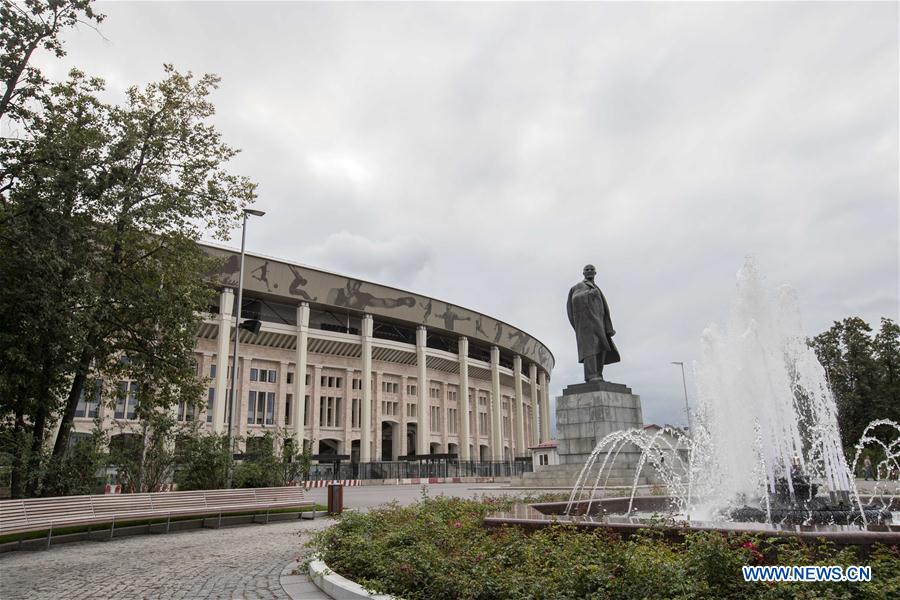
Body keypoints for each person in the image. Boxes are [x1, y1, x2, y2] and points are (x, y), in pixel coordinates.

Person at [566, 264, 620, 382]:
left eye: (592, 269)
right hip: (588, 324)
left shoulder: (596, 287)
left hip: (599, 323)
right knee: (590, 349)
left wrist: (608, 326)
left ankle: (598, 374)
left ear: (595, 273)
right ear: (583, 273)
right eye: (587, 270)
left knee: (601, 348)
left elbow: (604, 309)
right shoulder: (580, 285)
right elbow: (575, 299)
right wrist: (589, 294)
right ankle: (591, 375)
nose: (589, 271)